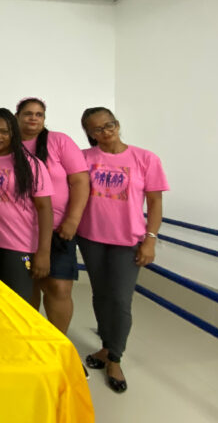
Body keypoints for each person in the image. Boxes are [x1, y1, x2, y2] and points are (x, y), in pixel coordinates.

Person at [78, 107, 168, 393]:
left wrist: (150, 239)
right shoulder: (84, 158)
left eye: (110, 124)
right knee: (101, 295)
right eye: (98, 129)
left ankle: (115, 357)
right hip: (91, 238)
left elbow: (154, 203)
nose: (106, 131)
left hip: (128, 241)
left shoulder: (145, 159)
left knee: (119, 299)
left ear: (117, 124)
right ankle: (106, 346)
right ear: (90, 134)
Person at [16, 97, 89, 334]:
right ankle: (32, 341)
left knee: (57, 286)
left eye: (39, 114)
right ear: (17, 116)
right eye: (28, 113)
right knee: (28, 285)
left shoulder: (59, 142)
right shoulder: (7, 143)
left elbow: (80, 181)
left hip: (58, 231)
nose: (33, 118)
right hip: (20, 234)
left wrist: (73, 220)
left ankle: (59, 345)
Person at [0, 108, 53, 303]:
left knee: (19, 301)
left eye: (4, 131)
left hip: (20, 246)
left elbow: (45, 208)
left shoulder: (31, 164)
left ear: (14, 133)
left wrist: (44, 251)